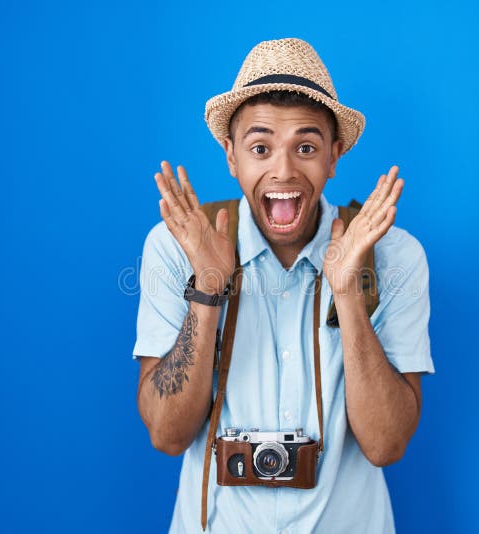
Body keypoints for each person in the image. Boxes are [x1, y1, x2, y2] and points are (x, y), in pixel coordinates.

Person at [133, 38, 434, 533]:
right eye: (260, 147)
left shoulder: (393, 254)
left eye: (307, 147)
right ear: (231, 156)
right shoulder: (177, 246)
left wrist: (348, 294)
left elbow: (386, 444)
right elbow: (167, 434)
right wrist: (207, 289)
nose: (284, 170)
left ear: (334, 156)